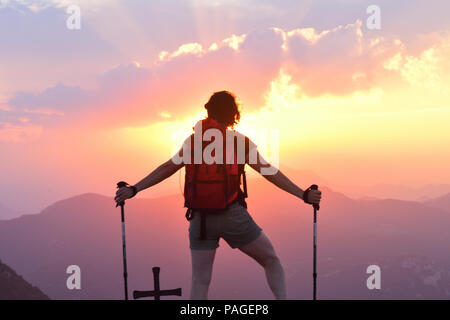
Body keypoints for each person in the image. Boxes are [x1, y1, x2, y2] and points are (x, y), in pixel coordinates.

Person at [114, 91, 322, 300]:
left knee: (200, 281)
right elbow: (268, 171)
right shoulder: (239, 142)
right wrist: (303, 194)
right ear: (233, 114)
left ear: (209, 110)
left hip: (200, 220)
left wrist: (134, 189)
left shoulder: (193, 141)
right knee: (271, 260)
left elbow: (167, 168)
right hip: (232, 216)